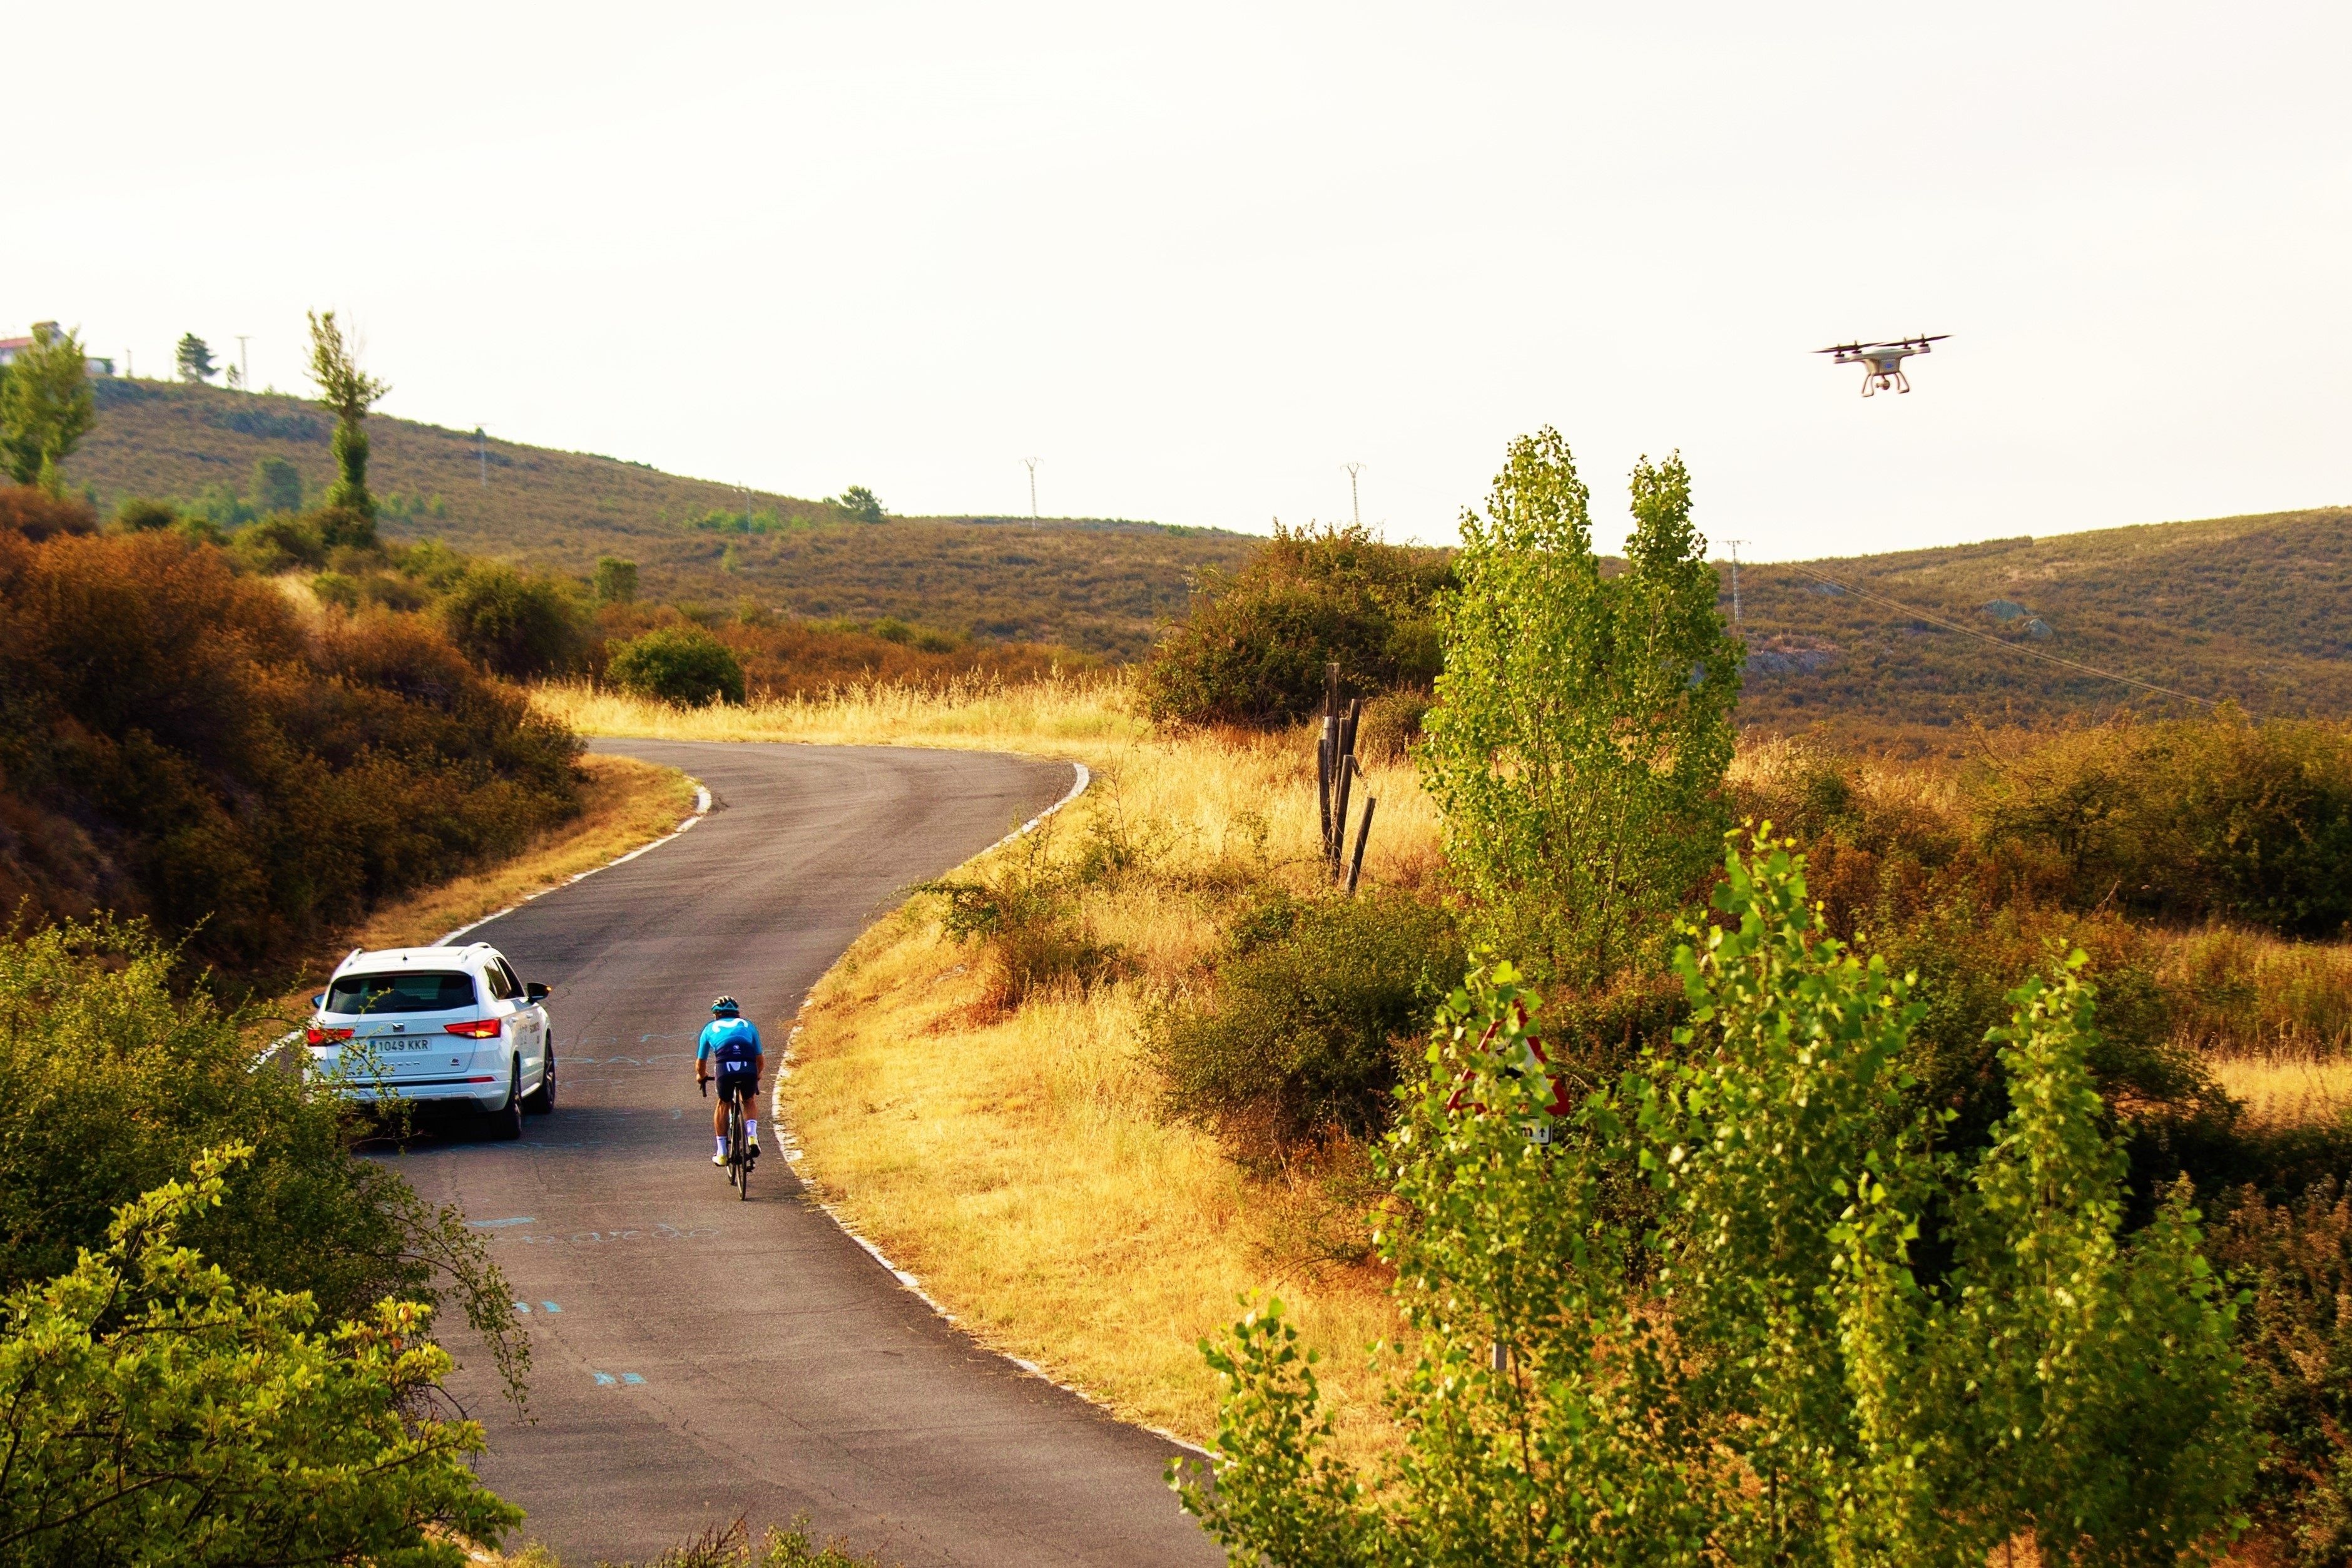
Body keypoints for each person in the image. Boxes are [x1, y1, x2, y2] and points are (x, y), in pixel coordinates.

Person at [695, 995, 763, 1166]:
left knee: (723, 1103)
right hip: (749, 1067)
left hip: (725, 1069)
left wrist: (701, 1076)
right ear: (737, 1013)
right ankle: (752, 1136)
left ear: (717, 1014)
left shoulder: (710, 1028)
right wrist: (758, 1074)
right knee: (749, 1100)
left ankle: (722, 1153)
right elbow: (760, 1059)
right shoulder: (748, 1025)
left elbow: (700, 1063)